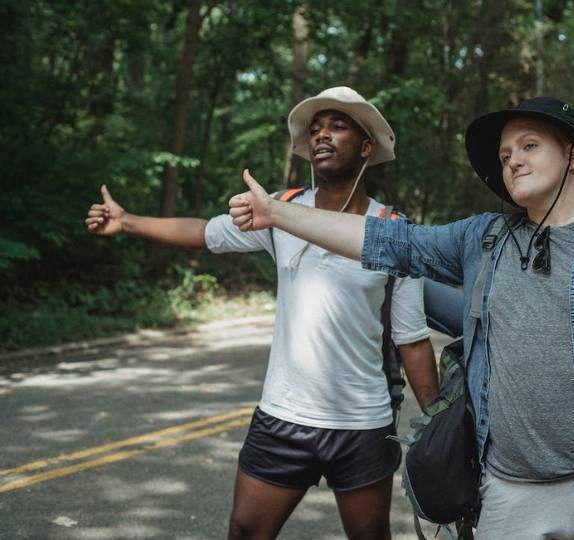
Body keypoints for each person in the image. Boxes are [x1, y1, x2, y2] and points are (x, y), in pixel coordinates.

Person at [226, 96, 574, 540]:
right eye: (505, 155)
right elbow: (384, 240)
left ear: (573, 153)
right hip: (509, 495)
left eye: (529, 146)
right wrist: (278, 212)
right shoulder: (482, 239)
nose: (513, 161)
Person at [85, 86, 439, 540]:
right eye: (315, 130)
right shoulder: (278, 211)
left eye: (337, 126)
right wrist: (127, 220)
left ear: (367, 146)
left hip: (362, 424)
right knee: (246, 531)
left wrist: (437, 425)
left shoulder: (394, 231)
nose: (322, 135)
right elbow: (204, 232)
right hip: (282, 417)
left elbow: (410, 339)